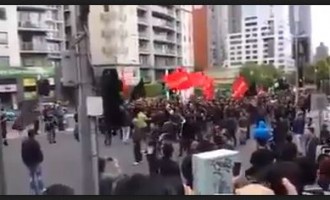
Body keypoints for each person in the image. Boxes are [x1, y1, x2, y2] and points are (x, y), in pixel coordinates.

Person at [21, 129, 45, 195]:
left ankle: (33, 189)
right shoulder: (35, 142)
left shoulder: (24, 143)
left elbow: (23, 153)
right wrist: (41, 159)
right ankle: (42, 188)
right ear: (33, 135)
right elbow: (39, 152)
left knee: (31, 176)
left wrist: (25, 161)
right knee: (38, 175)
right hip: (35, 161)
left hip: (28, 162)